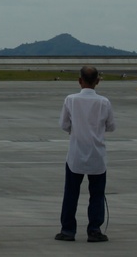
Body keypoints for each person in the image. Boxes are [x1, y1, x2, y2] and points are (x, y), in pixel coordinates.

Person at [55, 65, 116, 243]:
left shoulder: (71, 100)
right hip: (97, 154)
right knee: (97, 194)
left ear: (80, 80)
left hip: (76, 153)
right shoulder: (104, 102)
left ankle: (68, 230)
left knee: (71, 193)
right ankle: (94, 229)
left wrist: (76, 130)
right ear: (98, 81)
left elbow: (64, 125)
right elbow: (111, 126)